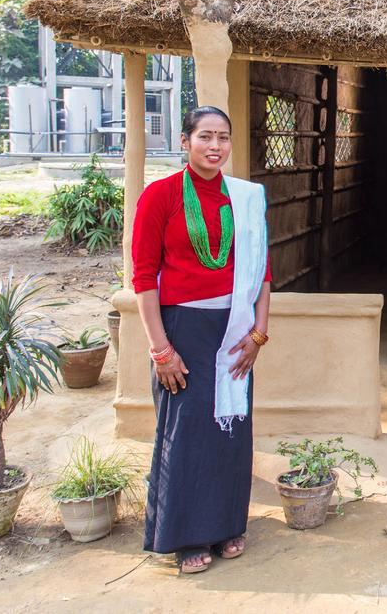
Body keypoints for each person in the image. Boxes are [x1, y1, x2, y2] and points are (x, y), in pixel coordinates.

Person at [132, 106, 272, 574]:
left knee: (231, 431)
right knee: (188, 430)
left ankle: (227, 524)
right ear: (185, 139)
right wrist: (161, 349)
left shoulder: (245, 199)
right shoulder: (161, 195)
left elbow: (262, 272)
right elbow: (144, 277)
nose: (215, 147)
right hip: (183, 330)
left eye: (224, 138)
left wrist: (258, 333)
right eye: (206, 136)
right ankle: (185, 535)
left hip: (233, 329)